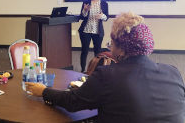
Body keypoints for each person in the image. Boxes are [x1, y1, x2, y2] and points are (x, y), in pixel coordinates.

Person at [26, 12, 185, 123]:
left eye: (112, 44)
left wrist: (43, 91)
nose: (110, 49)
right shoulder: (173, 72)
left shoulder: (107, 76)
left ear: (122, 48)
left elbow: (72, 102)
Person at [79, 0, 109, 72]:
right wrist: (85, 10)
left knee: (98, 52)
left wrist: (102, 16)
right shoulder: (86, 3)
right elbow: (82, 17)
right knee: (84, 51)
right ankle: (82, 70)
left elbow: (106, 17)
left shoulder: (104, 3)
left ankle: (96, 71)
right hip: (86, 30)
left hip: (97, 31)